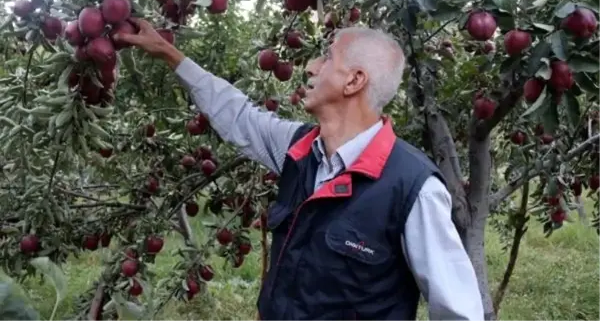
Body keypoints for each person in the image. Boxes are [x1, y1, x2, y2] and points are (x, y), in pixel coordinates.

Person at [114, 19, 484, 321]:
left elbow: (458, 312)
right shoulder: (299, 148)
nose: (310, 67)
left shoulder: (412, 186)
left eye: (326, 59)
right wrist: (168, 52)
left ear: (354, 80)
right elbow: (238, 116)